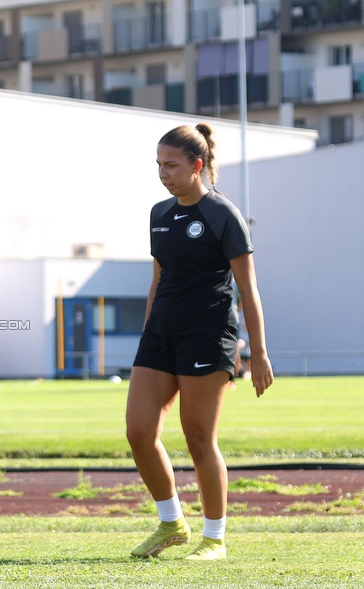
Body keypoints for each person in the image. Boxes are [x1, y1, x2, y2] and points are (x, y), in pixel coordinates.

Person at [125, 123, 273, 561]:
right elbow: (157, 279)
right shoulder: (159, 214)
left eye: (170, 165)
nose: (162, 173)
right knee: (138, 430)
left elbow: (249, 290)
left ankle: (215, 539)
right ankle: (171, 523)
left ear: (197, 164)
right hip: (160, 337)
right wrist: (149, 330)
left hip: (209, 337)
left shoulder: (222, 214)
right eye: (158, 165)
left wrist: (259, 352)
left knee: (198, 438)